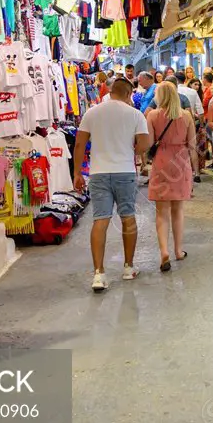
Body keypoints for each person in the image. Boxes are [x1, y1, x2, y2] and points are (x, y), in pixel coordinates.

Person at [73, 77, 151, 291]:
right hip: (124, 171)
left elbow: (80, 143)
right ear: (128, 94)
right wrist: (131, 150)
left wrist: (77, 173)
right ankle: (128, 267)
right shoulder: (135, 114)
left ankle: (99, 274)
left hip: (98, 173)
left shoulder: (92, 112)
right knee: (128, 218)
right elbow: (144, 144)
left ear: (110, 91)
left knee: (100, 220)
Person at [145, 82, 197, 272]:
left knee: (161, 212)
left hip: (161, 163)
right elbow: (192, 145)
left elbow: (149, 143)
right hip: (181, 163)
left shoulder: (152, 115)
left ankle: (164, 251)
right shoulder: (186, 116)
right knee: (178, 210)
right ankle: (178, 250)